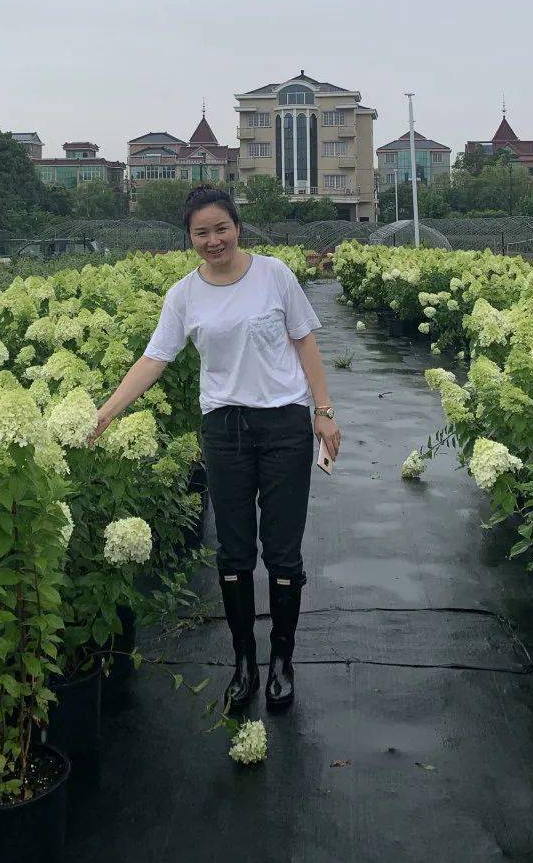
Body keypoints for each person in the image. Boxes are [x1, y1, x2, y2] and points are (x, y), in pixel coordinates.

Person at [91, 185, 341, 712]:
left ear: (237, 227)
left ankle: (281, 661)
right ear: (189, 237)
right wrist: (109, 410)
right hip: (224, 429)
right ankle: (244, 661)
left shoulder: (274, 274)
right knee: (232, 551)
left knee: (282, 550)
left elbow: (305, 341)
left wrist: (323, 412)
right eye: (201, 233)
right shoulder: (184, 294)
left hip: (283, 425)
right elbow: (156, 357)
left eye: (220, 228)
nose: (213, 240)